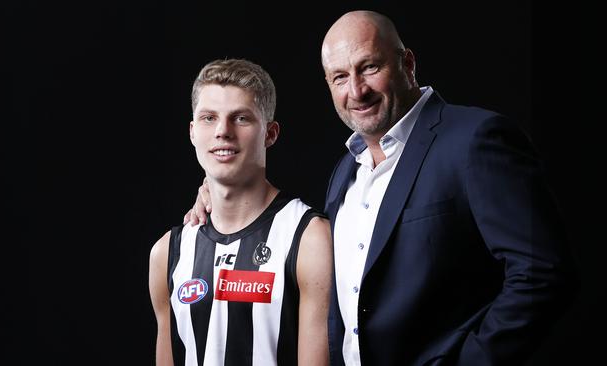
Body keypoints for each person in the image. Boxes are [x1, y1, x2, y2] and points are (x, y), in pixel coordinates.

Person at [185, 11, 577, 366]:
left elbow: (542, 274)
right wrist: (219, 194)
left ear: (407, 63)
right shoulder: (345, 172)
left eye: (369, 67)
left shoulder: (474, 140)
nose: (356, 91)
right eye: (340, 77)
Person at [149, 58, 332, 366]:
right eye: (209, 118)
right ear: (193, 132)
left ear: (270, 133)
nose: (223, 131)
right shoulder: (167, 252)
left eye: (241, 118)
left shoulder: (309, 239)